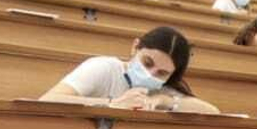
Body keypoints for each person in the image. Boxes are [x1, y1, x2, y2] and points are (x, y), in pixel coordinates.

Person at [39, 26, 218, 114]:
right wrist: (111, 104)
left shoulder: (162, 88)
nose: (151, 73)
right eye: (147, 63)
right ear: (135, 47)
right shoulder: (103, 67)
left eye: (162, 73)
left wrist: (163, 99)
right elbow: (47, 100)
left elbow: (212, 112)